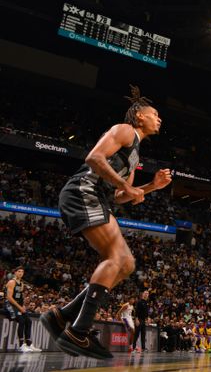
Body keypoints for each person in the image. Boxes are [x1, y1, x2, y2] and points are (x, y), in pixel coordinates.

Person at [40, 85, 172, 359]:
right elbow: (94, 158)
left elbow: (122, 196)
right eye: (155, 114)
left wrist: (150, 187)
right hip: (83, 190)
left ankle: (61, 317)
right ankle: (78, 331)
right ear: (139, 116)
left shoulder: (135, 154)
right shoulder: (124, 130)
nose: (159, 118)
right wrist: (126, 183)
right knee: (117, 256)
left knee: (126, 264)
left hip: (98, 197)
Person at [4, 267, 41, 352]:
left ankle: (29, 343)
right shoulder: (11, 282)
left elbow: (20, 298)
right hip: (9, 304)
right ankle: (21, 345)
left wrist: (23, 306)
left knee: (28, 321)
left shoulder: (21, 284)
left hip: (17, 305)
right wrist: (20, 307)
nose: (21, 273)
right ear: (15, 272)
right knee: (21, 320)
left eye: (22, 272)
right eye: (19, 271)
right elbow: (9, 298)